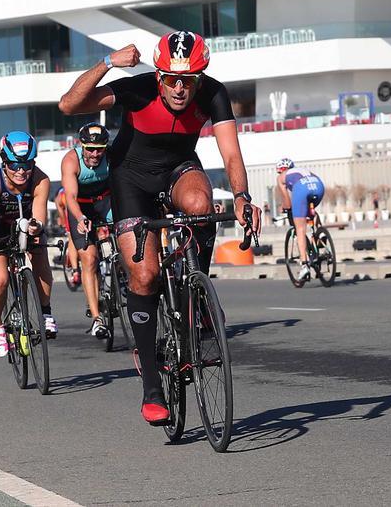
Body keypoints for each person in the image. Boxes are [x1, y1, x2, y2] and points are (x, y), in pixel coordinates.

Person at [58, 31, 261, 425]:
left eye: (189, 79)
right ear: (159, 77)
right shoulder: (137, 89)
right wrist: (107, 63)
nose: (180, 88)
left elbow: (231, 152)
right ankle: (152, 386)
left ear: (200, 77)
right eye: (171, 79)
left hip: (177, 170)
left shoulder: (213, 94)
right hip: (130, 179)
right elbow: (69, 104)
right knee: (146, 274)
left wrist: (242, 197)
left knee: (202, 205)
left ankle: (196, 289)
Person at [0, 130, 55, 357]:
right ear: (4, 162)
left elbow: (40, 220)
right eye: (14, 165)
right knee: (0, 281)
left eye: (27, 165)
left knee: (40, 249)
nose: (21, 171)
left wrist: (35, 227)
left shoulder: (41, 180)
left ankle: (46, 311)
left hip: (24, 224)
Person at [61, 122, 114, 339]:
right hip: (80, 207)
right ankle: (97, 319)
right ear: (81, 145)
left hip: (106, 202)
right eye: (90, 148)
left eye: (99, 148)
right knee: (89, 259)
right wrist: (80, 217)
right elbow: (70, 198)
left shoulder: (111, 156)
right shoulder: (71, 160)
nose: (94, 153)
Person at [275, 158, 325, 283]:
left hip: (302, 189)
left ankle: (304, 265)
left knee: (300, 229)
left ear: (280, 170)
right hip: (318, 186)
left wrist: (285, 207)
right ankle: (320, 233)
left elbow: (287, 203)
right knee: (310, 210)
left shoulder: (282, 177)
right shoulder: (302, 170)